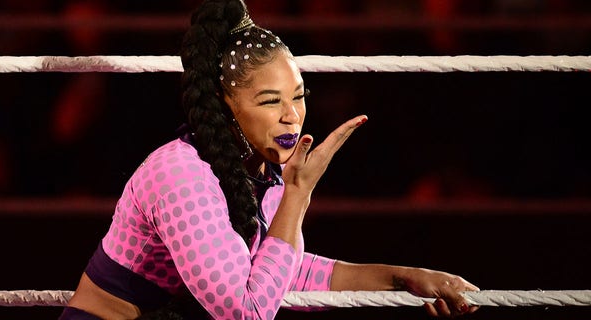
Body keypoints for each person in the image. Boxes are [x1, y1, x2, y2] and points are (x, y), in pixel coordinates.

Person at [59, 0, 480, 319]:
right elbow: (246, 310)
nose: (290, 115)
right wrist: (297, 193)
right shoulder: (181, 175)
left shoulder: (261, 169)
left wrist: (403, 279)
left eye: (298, 97)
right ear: (226, 108)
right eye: (269, 100)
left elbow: (279, 273)